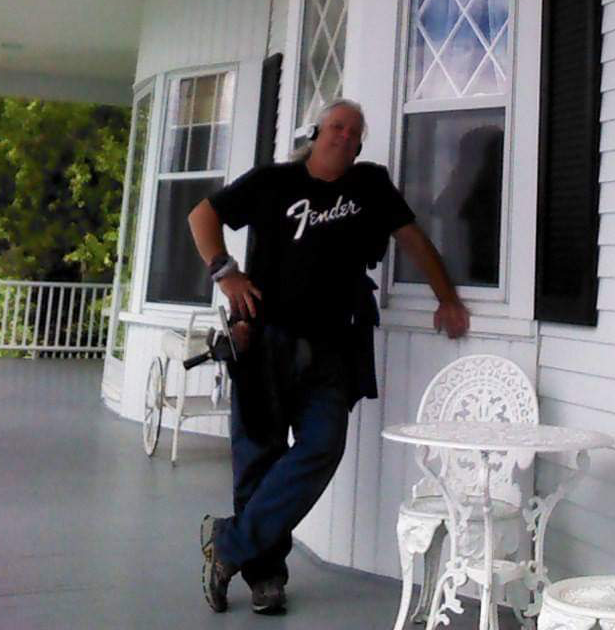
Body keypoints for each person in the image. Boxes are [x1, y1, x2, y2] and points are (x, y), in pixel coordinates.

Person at [187, 98, 470, 616]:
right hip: (266, 340)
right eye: (336, 126)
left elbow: (413, 240)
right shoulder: (272, 181)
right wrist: (226, 274)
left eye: (354, 131)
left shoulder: (370, 186)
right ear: (317, 133)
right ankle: (266, 576)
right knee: (258, 459)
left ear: (359, 144)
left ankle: (226, 543)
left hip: (334, 345)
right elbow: (202, 216)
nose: (344, 135)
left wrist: (447, 297)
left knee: (323, 444)